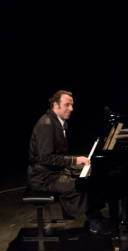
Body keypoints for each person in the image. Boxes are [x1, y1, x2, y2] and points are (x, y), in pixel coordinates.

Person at [28, 90, 107, 234]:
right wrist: (75, 160)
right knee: (79, 184)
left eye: (72, 105)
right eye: (67, 105)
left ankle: (96, 217)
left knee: (90, 175)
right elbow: (45, 158)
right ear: (55, 105)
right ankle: (95, 221)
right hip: (44, 177)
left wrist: (75, 162)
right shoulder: (46, 125)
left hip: (53, 171)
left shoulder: (56, 122)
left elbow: (57, 155)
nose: (71, 109)